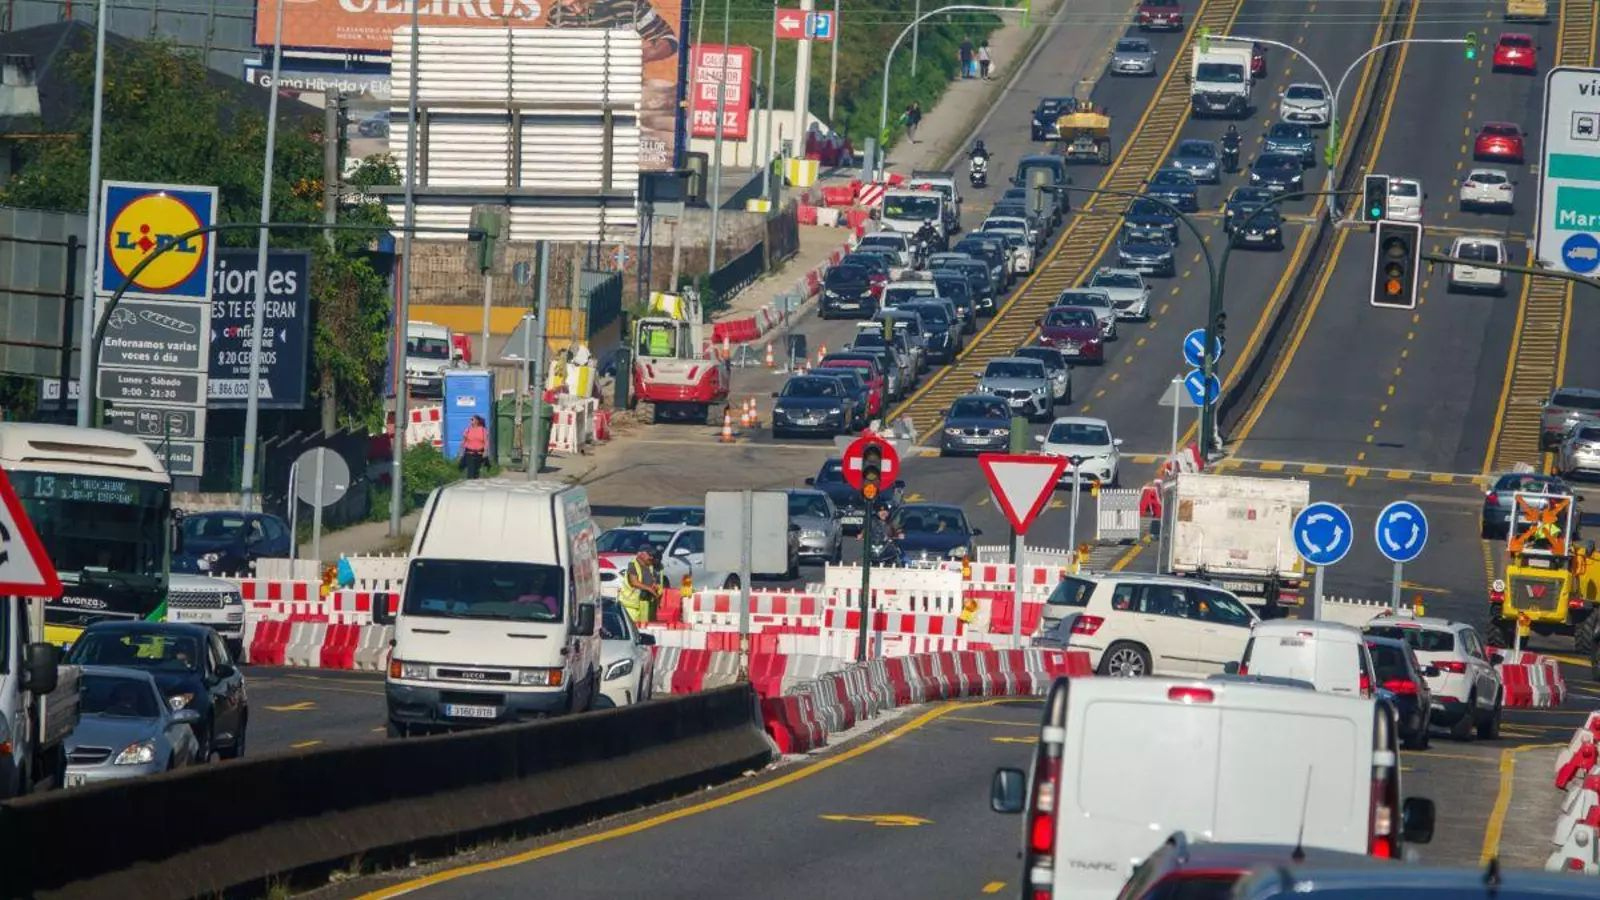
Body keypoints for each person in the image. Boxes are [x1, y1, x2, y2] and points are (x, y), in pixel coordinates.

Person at [619, 547, 662, 625]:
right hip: (631, 606)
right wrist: (649, 588)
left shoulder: (650, 566)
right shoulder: (633, 565)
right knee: (633, 626)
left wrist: (655, 586)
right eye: (649, 555)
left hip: (644, 605)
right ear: (640, 554)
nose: (651, 557)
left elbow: (651, 581)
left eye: (652, 556)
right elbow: (634, 582)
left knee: (644, 627)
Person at [458, 415, 489, 479]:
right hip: (469, 453)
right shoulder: (468, 430)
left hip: (479, 453)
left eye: (472, 419)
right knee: (470, 471)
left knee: (476, 471)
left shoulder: (483, 430)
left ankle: (475, 481)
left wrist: (485, 451)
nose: (470, 421)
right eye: (470, 419)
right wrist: (461, 452)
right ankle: (469, 480)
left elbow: (486, 442)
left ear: (477, 421)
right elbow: (463, 441)